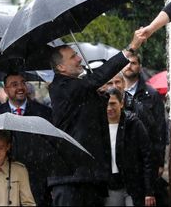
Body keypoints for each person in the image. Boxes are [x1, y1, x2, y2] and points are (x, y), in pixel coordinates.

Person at [47, 30, 146, 205]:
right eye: (72, 57)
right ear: (60, 67)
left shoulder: (80, 88)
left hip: (90, 178)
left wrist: (100, 95)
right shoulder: (61, 87)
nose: (79, 59)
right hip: (70, 181)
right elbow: (96, 78)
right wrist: (130, 49)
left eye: (77, 54)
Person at [122, 54, 167, 200]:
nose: (129, 66)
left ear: (139, 67)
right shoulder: (116, 93)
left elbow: (160, 128)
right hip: (122, 158)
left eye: (133, 63)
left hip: (145, 160)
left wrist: (159, 162)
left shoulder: (152, 94)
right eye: (126, 63)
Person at [105, 88, 155, 207]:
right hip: (111, 185)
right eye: (106, 104)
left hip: (132, 184)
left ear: (121, 103)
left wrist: (149, 191)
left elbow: (147, 156)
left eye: (113, 104)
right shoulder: (98, 126)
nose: (109, 108)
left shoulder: (133, 124)